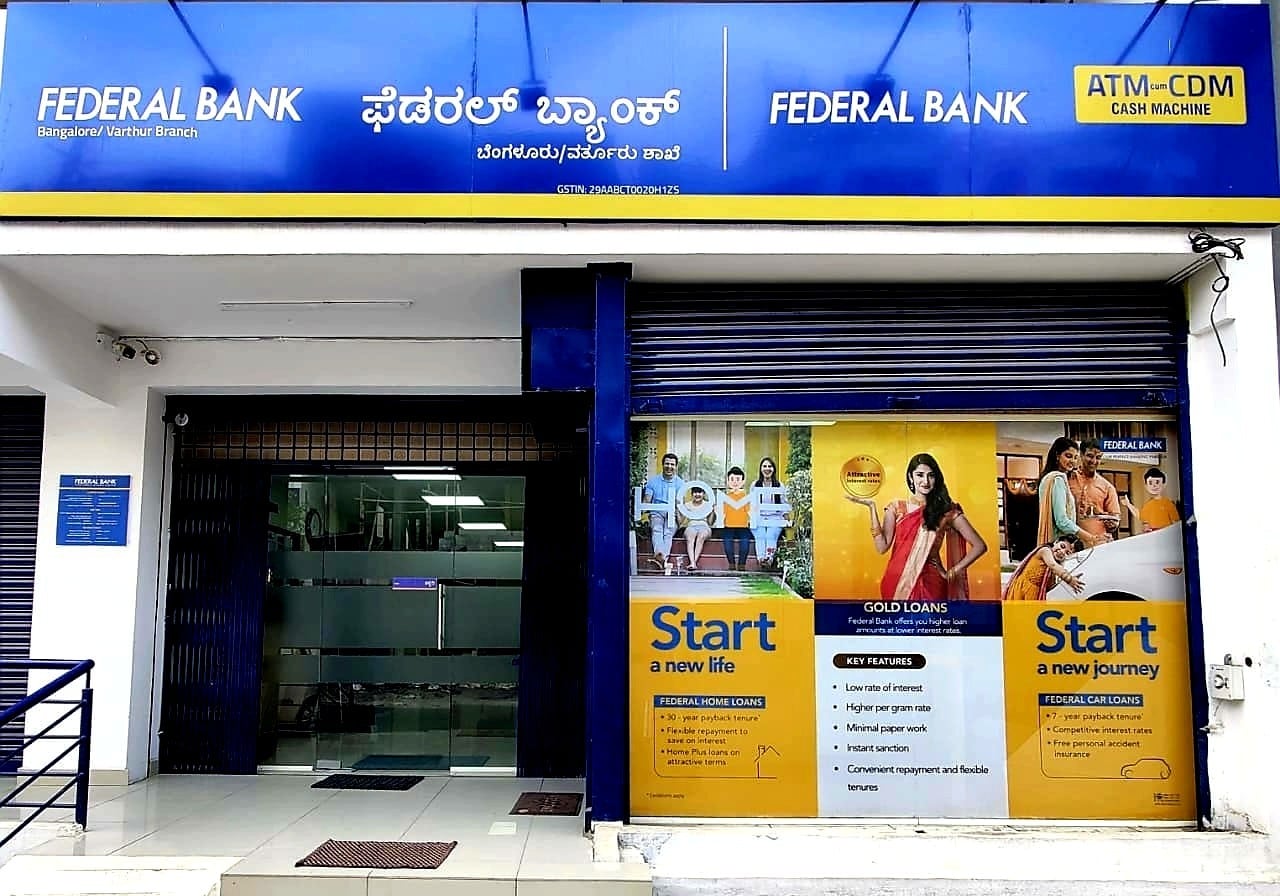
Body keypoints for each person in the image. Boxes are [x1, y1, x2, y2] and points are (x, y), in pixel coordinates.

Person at [847, 453, 988, 600]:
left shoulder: (945, 511)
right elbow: (882, 547)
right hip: (895, 582)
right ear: (910, 477)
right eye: (920, 475)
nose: (925, 481)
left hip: (931, 583)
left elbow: (980, 546)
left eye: (931, 475)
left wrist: (951, 572)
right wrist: (872, 507)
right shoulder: (897, 508)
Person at [1037, 437, 1106, 550]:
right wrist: (1091, 538)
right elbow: (1062, 521)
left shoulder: (1047, 478)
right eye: (1068, 456)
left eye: (1075, 457)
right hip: (1059, 545)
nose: (1073, 461)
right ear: (1057, 455)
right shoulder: (1057, 479)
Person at [1069, 439, 1121, 540]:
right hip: (1070, 543)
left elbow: (1115, 519)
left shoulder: (1107, 487)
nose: (1094, 461)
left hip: (1098, 542)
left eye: (1098, 457)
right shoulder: (1068, 479)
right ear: (1081, 455)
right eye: (1090, 456)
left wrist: (1113, 524)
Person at [1003, 539, 1085, 601]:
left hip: (1035, 594)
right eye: (1062, 546)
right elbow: (1053, 565)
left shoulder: (1057, 565)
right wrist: (1069, 579)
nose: (1062, 552)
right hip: (1022, 590)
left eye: (1067, 553)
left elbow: (1051, 584)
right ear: (1056, 542)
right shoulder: (1045, 551)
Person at [643, 452, 684, 570]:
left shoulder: (680, 483)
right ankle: (661, 557)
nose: (669, 467)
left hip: (672, 513)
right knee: (657, 529)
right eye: (667, 464)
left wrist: (679, 519)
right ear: (662, 465)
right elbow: (647, 500)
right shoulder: (653, 481)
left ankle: (660, 558)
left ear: (676, 466)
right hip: (657, 512)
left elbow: (679, 505)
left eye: (672, 464)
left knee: (668, 532)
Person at [751, 457, 789, 570]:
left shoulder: (779, 485)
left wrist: (787, 519)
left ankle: (769, 558)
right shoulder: (755, 485)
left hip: (776, 517)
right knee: (760, 535)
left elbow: (784, 504)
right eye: (764, 466)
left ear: (774, 469)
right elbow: (751, 504)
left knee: (770, 535)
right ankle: (761, 559)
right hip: (759, 517)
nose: (767, 469)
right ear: (760, 469)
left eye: (770, 466)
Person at [1121, 467, 1181, 533]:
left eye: (1157, 482)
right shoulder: (1147, 505)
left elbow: (1176, 522)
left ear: (1163, 484)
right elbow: (1139, 515)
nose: (1154, 486)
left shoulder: (1168, 503)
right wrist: (1128, 504)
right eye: (1150, 483)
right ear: (1146, 486)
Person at [719, 466, 752, 571]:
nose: (735, 482)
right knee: (727, 543)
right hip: (728, 526)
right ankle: (731, 564)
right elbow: (722, 513)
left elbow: (750, 512)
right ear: (728, 481)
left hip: (743, 526)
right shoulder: (725, 497)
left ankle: (742, 565)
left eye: (738, 479)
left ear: (743, 481)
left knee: (745, 543)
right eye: (732, 479)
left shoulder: (746, 497)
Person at [680, 486, 715, 571]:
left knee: (701, 536)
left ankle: (693, 563)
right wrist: (678, 509)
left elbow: (710, 523)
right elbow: (680, 521)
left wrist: (713, 511)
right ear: (692, 494)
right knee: (690, 536)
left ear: (703, 494)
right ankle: (692, 563)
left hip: (704, 526)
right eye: (695, 492)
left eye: (700, 492)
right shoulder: (687, 505)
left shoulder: (708, 505)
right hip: (691, 526)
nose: (697, 494)